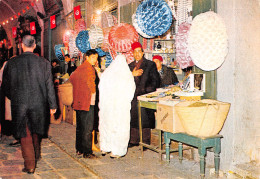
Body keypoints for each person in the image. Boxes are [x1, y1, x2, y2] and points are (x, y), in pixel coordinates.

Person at [2, 35, 57, 174]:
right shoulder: (44, 63)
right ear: (34, 46)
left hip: (20, 104)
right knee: (36, 131)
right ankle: (35, 156)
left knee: (25, 134)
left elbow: (5, 87)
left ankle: (30, 164)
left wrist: (14, 96)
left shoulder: (11, 63)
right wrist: (52, 105)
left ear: (21, 45)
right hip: (39, 104)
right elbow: (49, 86)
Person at [99, 55, 136, 158]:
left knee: (107, 126)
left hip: (107, 106)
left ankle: (105, 147)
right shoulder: (126, 75)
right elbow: (131, 90)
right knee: (120, 127)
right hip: (120, 107)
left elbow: (101, 87)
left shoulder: (107, 74)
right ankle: (117, 151)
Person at [128, 42, 160, 147]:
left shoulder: (150, 65)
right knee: (133, 118)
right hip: (132, 96)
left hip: (145, 95)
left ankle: (146, 141)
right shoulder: (130, 66)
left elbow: (155, 81)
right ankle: (134, 140)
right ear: (132, 53)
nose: (137, 54)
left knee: (145, 118)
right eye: (135, 52)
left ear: (143, 52)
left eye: (139, 51)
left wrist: (146, 91)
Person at [69, 49, 100, 159]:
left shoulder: (79, 67)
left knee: (80, 127)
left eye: (96, 58)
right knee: (88, 128)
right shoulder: (89, 68)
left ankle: (79, 149)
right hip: (87, 102)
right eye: (93, 58)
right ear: (87, 57)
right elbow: (91, 84)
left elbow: (71, 78)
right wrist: (93, 90)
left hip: (78, 101)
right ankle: (87, 152)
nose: (95, 60)